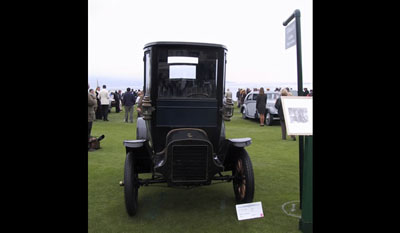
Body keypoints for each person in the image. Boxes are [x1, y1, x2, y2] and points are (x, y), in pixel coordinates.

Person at [88, 84, 97, 150]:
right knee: (88, 130)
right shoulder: (89, 95)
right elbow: (91, 102)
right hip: (89, 114)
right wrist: (94, 98)